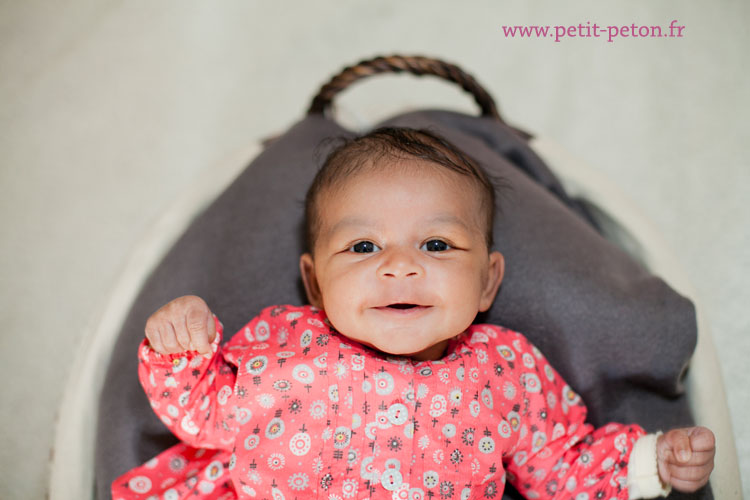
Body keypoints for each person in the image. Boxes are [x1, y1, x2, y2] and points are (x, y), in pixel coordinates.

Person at [113, 128, 714, 500]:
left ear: (488, 281)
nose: (399, 266)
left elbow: (558, 462)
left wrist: (652, 462)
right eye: (363, 246)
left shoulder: (503, 369)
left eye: (436, 244)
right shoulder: (286, 342)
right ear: (314, 283)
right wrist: (182, 349)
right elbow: (206, 417)